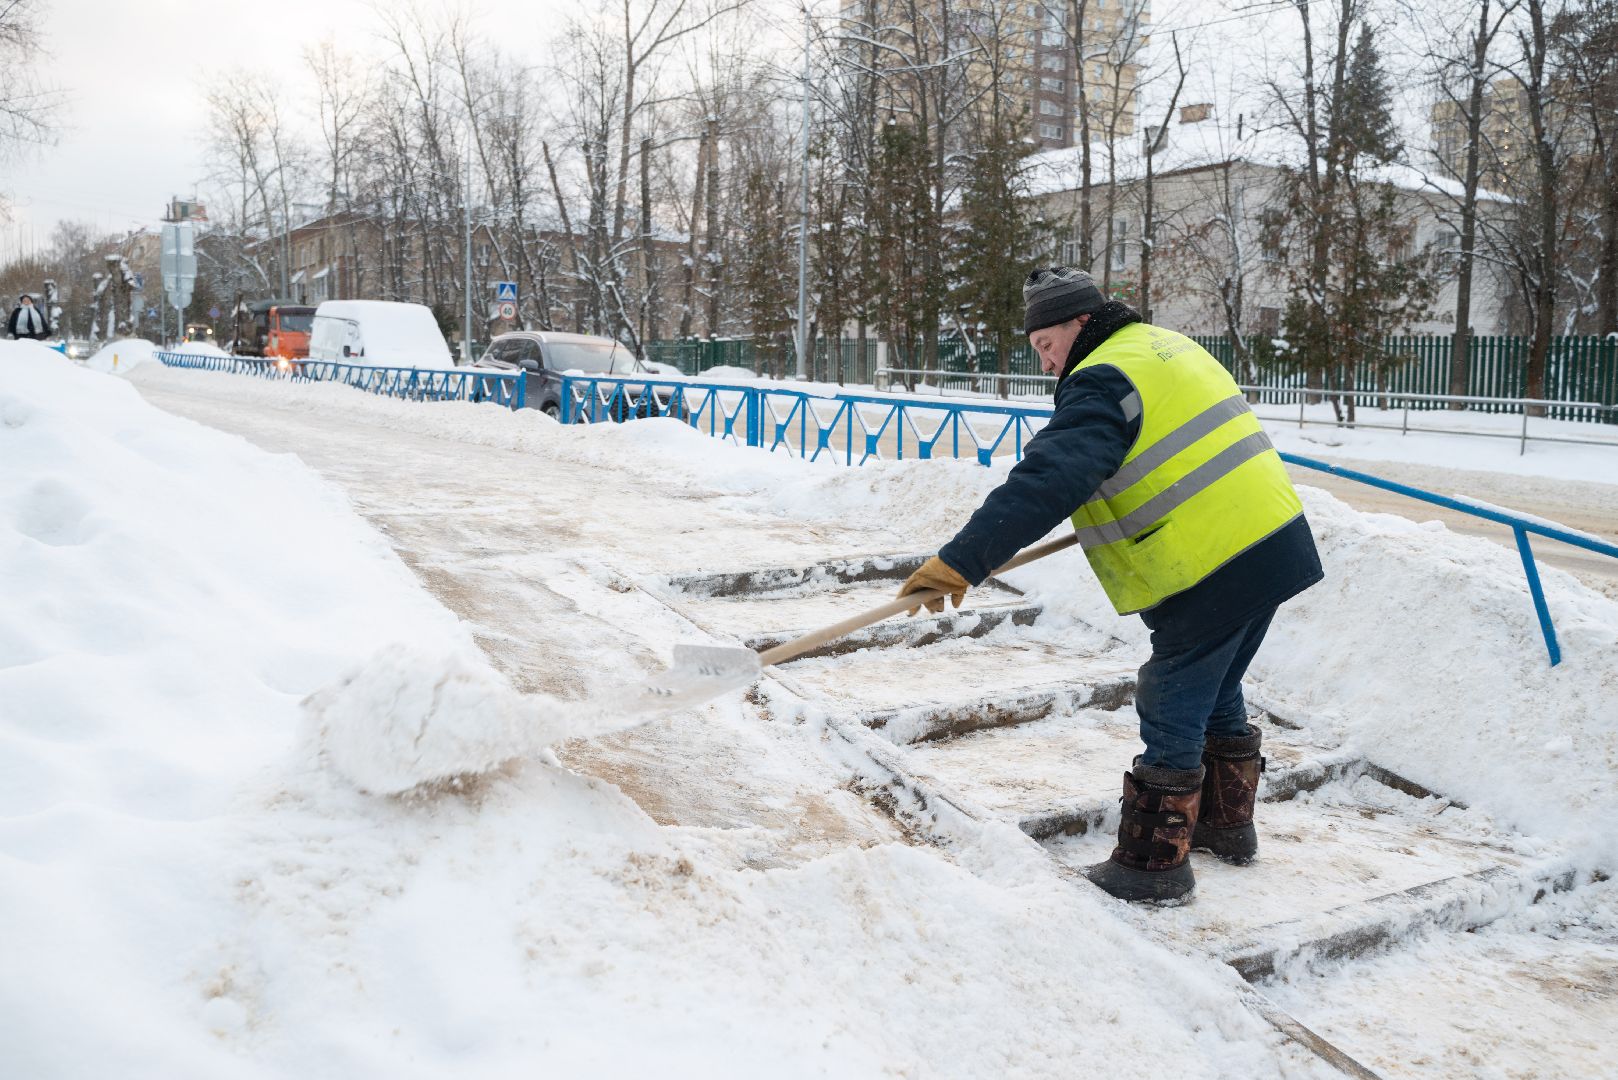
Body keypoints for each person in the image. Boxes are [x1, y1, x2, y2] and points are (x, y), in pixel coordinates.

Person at [897, 267, 1323, 903]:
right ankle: (1226, 825)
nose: (1046, 366)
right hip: (1271, 542)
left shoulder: (1103, 379)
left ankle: (1154, 862)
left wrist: (962, 561)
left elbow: (1048, 479)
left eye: (1046, 346)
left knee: (1173, 689)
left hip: (1211, 558)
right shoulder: (1164, 347)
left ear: (1079, 325)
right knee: (1217, 683)